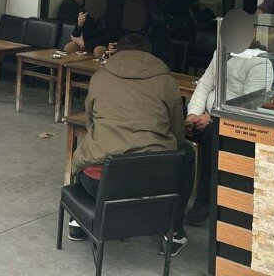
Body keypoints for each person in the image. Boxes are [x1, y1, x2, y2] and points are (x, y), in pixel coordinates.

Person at [69, 33, 195, 255]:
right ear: (148, 55)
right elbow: (177, 131)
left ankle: (78, 221)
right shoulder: (166, 81)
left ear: (117, 52)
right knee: (186, 151)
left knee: (91, 145)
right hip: (153, 181)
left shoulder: (99, 77)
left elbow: (90, 121)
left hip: (100, 182)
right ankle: (173, 232)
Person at [184, 49, 274, 225]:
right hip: (207, 114)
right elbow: (204, 84)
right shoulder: (220, 52)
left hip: (236, 123)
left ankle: (204, 201)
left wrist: (212, 118)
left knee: (212, 135)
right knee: (174, 122)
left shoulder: (260, 62)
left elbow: (249, 104)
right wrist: (193, 113)